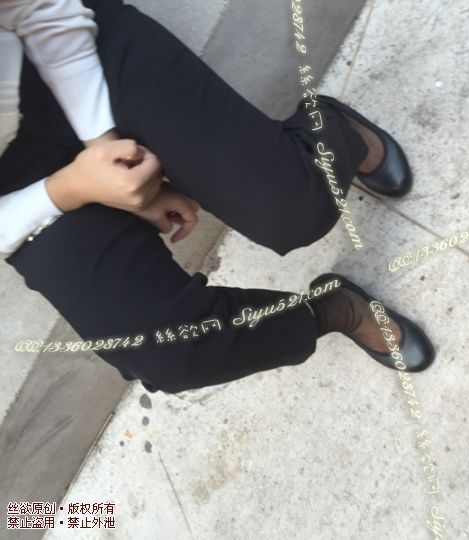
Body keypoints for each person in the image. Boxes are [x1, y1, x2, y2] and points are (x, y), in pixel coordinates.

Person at [0, 0, 434, 394]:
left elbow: (39, 7)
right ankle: (337, 311)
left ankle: (336, 130)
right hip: (14, 186)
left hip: (58, 49)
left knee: (294, 209)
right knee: (172, 353)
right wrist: (73, 188)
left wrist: (109, 153)